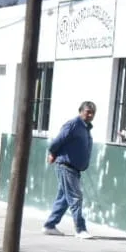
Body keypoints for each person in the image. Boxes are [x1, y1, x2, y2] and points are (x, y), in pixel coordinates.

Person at [44, 100, 96, 238]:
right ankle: (80, 229)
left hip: (74, 169)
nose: (90, 115)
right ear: (81, 111)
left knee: (64, 198)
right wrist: (52, 153)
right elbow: (58, 141)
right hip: (66, 166)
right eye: (88, 112)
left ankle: (50, 225)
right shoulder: (73, 124)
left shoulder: (85, 128)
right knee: (75, 197)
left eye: (93, 113)